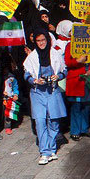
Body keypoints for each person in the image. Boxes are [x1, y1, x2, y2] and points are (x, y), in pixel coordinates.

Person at [23, 30, 67, 164]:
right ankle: (44, 151)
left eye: (43, 40)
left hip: (52, 91)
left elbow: (64, 70)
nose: (41, 43)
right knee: (40, 121)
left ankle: (52, 148)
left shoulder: (55, 54)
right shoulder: (31, 57)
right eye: (38, 41)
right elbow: (26, 75)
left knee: (53, 120)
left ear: (47, 40)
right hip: (38, 93)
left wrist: (57, 76)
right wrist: (34, 81)